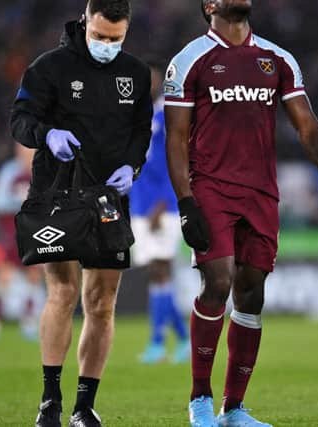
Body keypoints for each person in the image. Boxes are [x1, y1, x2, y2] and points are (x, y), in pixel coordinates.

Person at [165, 1, 318, 425]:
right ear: (208, 5)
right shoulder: (190, 60)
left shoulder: (276, 58)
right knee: (219, 280)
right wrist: (186, 201)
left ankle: (234, 409)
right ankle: (199, 401)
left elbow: (305, 122)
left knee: (252, 292)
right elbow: (175, 137)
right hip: (211, 187)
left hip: (262, 192)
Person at [10, 0, 152, 426]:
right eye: (100, 35)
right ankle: (49, 401)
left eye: (116, 38)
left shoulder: (135, 74)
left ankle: (84, 407)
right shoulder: (48, 68)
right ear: (85, 20)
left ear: (126, 31)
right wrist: (46, 134)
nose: (107, 44)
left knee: (102, 302)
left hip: (109, 198)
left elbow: (141, 131)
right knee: (63, 293)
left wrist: (134, 165)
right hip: (58, 193)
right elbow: (19, 119)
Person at [130, 60, 190, 364]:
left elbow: (177, 156)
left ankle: (160, 340)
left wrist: (165, 201)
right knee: (157, 274)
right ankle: (181, 338)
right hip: (141, 203)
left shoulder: (169, 109)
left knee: (160, 269)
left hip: (160, 205)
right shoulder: (146, 111)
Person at [0, 144, 44, 343]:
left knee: (33, 275)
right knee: (3, 276)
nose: (26, 154)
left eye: (29, 150)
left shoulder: (43, 170)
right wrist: (19, 204)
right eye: (22, 150)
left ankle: (29, 322)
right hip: (12, 232)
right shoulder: (9, 172)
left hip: (34, 232)